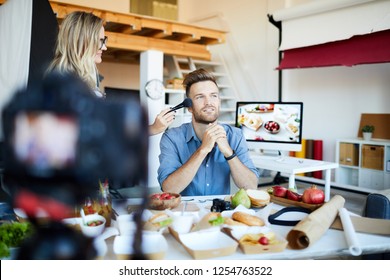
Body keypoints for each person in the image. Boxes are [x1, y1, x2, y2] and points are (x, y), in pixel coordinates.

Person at [46, 11, 174, 136]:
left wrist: (153, 128)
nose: (104, 47)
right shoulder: (65, 83)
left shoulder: (77, 78)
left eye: (104, 40)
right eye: (101, 40)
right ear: (83, 41)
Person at [158, 68, 259, 196]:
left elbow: (251, 186)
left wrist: (228, 152)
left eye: (214, 96)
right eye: (200, 97)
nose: (209, 102)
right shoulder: (172, 138)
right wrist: (202, 150)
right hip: (183, 213)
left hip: (220, 214)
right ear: (189, 107)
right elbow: (169, 190)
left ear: (219, 101)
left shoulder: (235, 136)